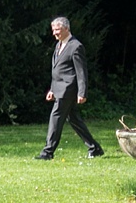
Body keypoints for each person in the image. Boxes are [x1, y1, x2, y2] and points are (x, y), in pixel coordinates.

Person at [39, 16, 104, 161]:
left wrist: (82, 92)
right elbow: (58, 71)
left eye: (57, 30)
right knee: (75, 120)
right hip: (59, 89)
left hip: (68, 90)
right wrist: (52, 90)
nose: (54, 33)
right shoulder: (59, 45)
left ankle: (47, 152)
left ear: (67, 29)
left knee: (55, 118)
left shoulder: (76, 46)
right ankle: (95, 148)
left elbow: (81, 72)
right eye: (53, 30)